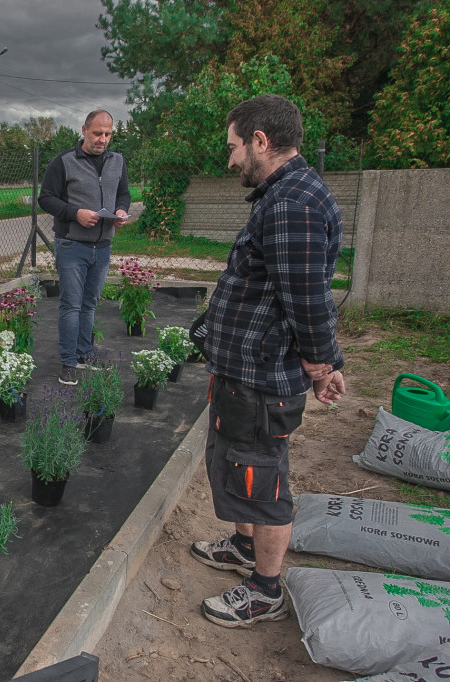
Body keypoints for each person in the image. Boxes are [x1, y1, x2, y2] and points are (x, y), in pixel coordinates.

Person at [190, 94, 347, 627]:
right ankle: (241, 545)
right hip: (245, 373)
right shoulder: (284, 195)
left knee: (262, 475)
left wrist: (323, 366)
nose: (231, 160)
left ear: (261, 141)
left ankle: (264, 589)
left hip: (263, 378)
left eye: (234, 147)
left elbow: (307, 299)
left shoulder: (291, 204)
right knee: (240, 461)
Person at [38, 109, 130, 386]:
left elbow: (123, 192)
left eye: (108, 134)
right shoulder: (65, 161)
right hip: (72, 244)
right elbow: (46, 198)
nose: (103, 139)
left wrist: (121, 210)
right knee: (71, 305)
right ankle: (68, 362)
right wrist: (74, 213)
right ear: (84, 130)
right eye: (97, 133)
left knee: (89, 304)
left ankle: (84, 355)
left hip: (102, 245)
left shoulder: (117, 161)